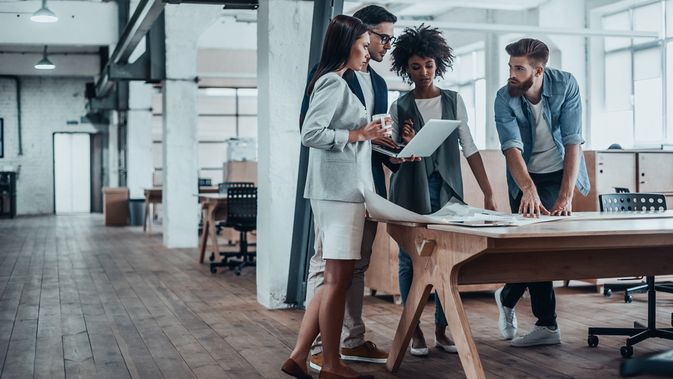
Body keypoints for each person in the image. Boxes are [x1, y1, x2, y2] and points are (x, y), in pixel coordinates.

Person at [282, 15, 388, 379]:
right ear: (347, 46)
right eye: (363, 46)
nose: (368, 54)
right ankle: (330, 363)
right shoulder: (332, 81)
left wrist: (369, 135)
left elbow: (345, 132)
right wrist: (357, 135)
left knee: (332, 278)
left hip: (339, 191)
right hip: (339, 194)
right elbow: (310, 132)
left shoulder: (337, 81)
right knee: (337, 280)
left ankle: (298, 357)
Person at [387, 24, 498, 356]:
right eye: (416, 66)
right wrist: (405, 145)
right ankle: (414, 329)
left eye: (429, 65)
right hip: (409, 191)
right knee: (410, 261)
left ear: (439, 64)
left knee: (447, 260)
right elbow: (393, 160)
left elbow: (470, 147)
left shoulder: (453, 100)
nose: (423, 72)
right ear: (405, 68)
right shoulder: (399, 106)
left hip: (447, 189)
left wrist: (488, 191)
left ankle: (441, 327)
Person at [493, 38, 590, 347]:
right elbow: (512, 149)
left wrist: (566, 195)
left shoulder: (565, 85)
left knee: (543, 249)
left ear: (538, 71)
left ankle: (511, 299)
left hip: (559, 173)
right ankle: (547, 324)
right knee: (531, 249)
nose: (511, 74)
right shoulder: (504, 97)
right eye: (510, 67)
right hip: (524, 177)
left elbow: (574, 141)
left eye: (518, 69)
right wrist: (528, 189)